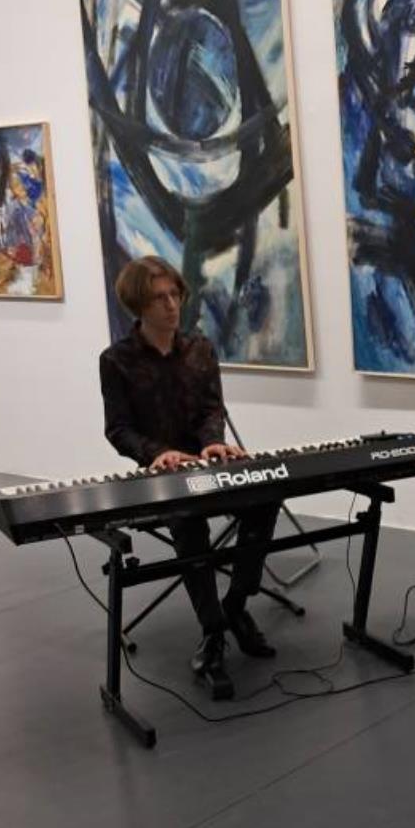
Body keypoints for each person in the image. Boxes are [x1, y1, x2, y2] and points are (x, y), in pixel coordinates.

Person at [99, 256, 281, 700]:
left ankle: (235, 605)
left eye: (174, 295)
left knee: (265, 497)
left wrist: (213, 442)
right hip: (162, 475)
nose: (170, 305)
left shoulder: (201, 349)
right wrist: (157, 454)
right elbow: (119, 429)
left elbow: (211, 409)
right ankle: (213, 633)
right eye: (158, 298)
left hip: (205, 463)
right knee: (188, 521)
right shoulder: (116, 361)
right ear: (138, 306)